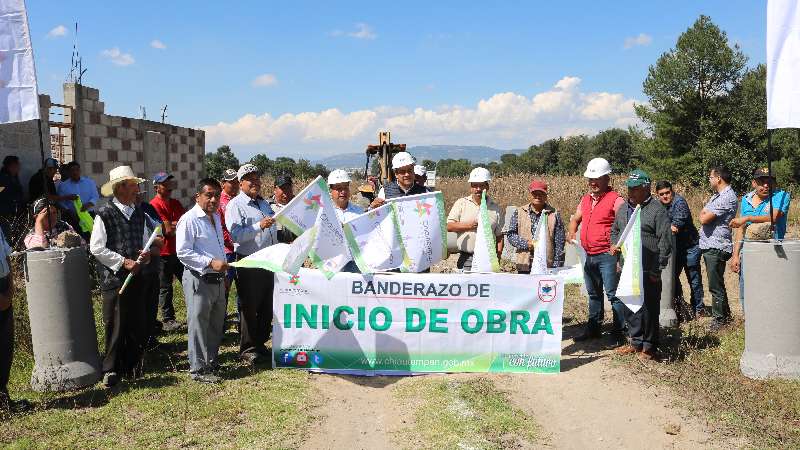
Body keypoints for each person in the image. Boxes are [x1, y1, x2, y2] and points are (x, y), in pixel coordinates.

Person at [89, 166, 156, 387]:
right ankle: (110, 369)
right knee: (115, 324)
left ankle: (132, 365)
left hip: (138, 278)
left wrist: (144, 256)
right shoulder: (105, 213)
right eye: (133, 184)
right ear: (121, 188)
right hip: (114, 280)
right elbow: (96, 248)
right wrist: (122, 262)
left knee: (137, 321)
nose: (138, 189)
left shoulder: (139, 213)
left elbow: (145, 240)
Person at [610, 170, 671, 361]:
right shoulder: (623, 209)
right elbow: (615, 231)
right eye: (629, 188)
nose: (631, 192)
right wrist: (615, 244)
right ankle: (635, 341)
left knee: (650, 308)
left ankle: (649, 346)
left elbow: (665, 242)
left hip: (648, 269)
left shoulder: (656, 210)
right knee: (631, 305)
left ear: (646, 188)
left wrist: (657, 268)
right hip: (627, 269)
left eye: (635, 188)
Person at [567, 158, 626, 343]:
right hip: (588, 254)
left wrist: (617, 245)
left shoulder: (616, 200)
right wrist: (571, 231)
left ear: (607, 178)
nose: (592, 182)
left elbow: (625, 224)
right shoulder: (585, 199)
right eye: (590, 179)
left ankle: (619, 334)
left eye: (597, 178)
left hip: (607, 255)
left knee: (613, 294)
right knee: (593, 294)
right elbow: (575, 219)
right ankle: (593, 329)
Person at [176, 178, 229, 383]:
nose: (214, 199)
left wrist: (221, 268)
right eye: (209, 194)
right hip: (199, 278)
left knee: (216, 322)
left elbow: (217, 246)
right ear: (197, 196)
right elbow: (182, 252)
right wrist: (209, 262)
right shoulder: (189, 219)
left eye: (216, 194)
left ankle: (211, 361)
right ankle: (198, 369)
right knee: (198, 323)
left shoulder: (215, 217)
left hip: (217, 279)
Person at [225, 164, 278, 365]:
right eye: (250, 179)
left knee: (266, 305)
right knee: (249, 306)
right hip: (249, 261)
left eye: (257, 178)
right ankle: (247, 348)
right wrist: (259, 226)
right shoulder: (235, 205)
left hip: (268, 261)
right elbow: (236, 235)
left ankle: (260, 343)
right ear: (240, 183)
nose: (255, 182)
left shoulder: (264, 204)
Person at [729, 167, 791, 309]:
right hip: (748, 252)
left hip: (772, 251)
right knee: (747, 287)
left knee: (770, 289)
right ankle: (749, 320)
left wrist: (748, 218)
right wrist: (736, 255)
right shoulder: (746, 199)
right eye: (762, 181)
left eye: (770, 181)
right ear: (754, 183)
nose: (766, 185)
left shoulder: (781, 196)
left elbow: (774, 217)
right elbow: (741, 228)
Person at [655, 180, 705, 319]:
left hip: (690, 247)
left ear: (672, 191)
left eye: (667, 193)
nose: (665, 196)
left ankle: (698, 308)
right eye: (662, 194)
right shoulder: (658, 205)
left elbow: (675, 227)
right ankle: (679, 306)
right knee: (672, 279)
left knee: (693, 278)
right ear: (657, 195)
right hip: (674, 249)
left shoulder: (679, 202)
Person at [698, 166, 738, 332]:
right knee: (717, 283)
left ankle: (719, 320)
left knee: (715, 285)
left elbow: (704, 218)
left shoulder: (727, 196)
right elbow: (703, 214)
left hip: (717, 245)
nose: (709, 180)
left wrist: (703, 215)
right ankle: (726, 316)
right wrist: (703, 214)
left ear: (719, 178)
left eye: (711, 177)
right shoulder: (717, 196)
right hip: (710, 244)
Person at [446, 167, 504, 271]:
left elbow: (499, 236)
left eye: (481, 185)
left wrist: (498, 257)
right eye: (475, 185)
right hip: (467, 258)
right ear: (471, 187)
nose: (478, 189)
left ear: (487, 186)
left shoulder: (496, 209)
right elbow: (449, 226)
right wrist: (469, 225)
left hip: (488, 259)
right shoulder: (461, 203)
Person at [149, 172, 186, 332]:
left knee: (188, 282)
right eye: (165, 183)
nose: (170, 186)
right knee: (165, 287)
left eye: (170, 182)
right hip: (163, 252)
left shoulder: (176, 203)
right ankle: (168, 319)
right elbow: (167, 232)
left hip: (179, 250)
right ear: (157, 187)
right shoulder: (154, 205)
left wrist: (172, 225)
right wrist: (173, 225)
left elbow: (185, 225)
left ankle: (194, 312)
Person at [0, 226, 31, 412]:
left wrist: (10, 288)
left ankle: (3, 400)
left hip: (4, 285)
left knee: (4, 347)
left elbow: (5, 256)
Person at [506, 180, 565, 273]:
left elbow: (559, 243)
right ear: (530, 194)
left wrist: (556, 267)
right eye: (535, 193)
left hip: (546, 266)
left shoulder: (554, 214)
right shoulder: (519, 212)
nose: (538, 196)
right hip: (524, 264)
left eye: (541, 193)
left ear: (546, 196)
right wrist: (526, 244)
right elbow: (511, 234)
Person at [328, 169, 364, 273]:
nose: (343, 192)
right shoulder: (324, 213)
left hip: (355, 264)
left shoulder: (359, 212)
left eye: (345, 188)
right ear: (331, 190)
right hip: (332, 265)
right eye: (339, 189)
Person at [218, 169, 239, 319]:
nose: (234, 184)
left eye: (236, 181)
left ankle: (241, 321)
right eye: (230, 181)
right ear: (223, 183)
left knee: (242, 288)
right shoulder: (219, 202)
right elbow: (221, 228)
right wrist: (233, 243)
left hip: (240, 249)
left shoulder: (238, 200)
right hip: (227, 251)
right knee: (225, 287)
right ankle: (221, 322)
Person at [0, 155, 24, 245]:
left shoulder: (13, 177)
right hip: (5, 214)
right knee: (6, 241)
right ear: (12, 166)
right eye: (18, 165)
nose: (19, 167)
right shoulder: (3, 178)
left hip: (14, 214)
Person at [269, 174, 295, 244]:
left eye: (289, 188)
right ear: (275, 189)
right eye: (283, 188)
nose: (286, 192)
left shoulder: (299, 204)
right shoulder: (267, 206)